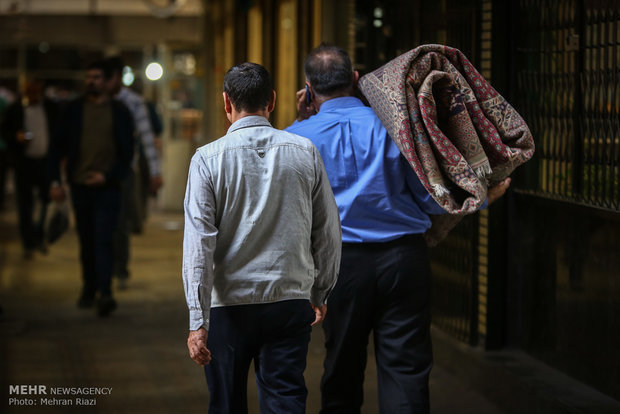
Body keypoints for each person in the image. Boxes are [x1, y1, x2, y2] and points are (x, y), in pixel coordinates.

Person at [286, 44, 511, 414]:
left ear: (308, 88)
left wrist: (302, 119)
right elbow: (430, 199)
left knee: (341, 366)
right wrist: (483, 197)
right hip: (404, 261)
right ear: (356, 80)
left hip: (340, 268)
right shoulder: (398, 129)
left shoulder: (296, 139)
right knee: (406, 370)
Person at [182, 62, 341, 413]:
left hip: (228, 307)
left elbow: (199, 245)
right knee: (285, 400)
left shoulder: (206, 160)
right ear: (271, 101)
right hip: (288, 302)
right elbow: (328, 231)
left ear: (226, 103)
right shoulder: (305, 152)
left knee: (226, 402)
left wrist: (198, 320)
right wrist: (320, 291)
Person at [49, 60, 134, 317]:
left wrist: (107, 175)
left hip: (108, 187)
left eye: (96, 77)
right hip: (80, 185)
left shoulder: (119, 111)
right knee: (86, 239)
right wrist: (55, 182)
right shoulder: (73, 110)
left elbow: (127, 152)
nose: (91, 82)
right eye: (88, 77)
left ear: (107, 81)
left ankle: (105, 292)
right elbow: (56, 148)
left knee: (104, 239)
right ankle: (89, 286)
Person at [104, 56, 163, 286]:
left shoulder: (134, 103)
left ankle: (120, 271)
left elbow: (148, 138)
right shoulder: (93, 103)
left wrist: (155, 172)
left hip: (123, 172)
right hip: (94, 171)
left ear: (117, 78)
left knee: (120, 223)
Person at [1, 80, 58, 258]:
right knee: (25, 205)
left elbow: (60, 132)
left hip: (45, 162)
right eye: (26, 91)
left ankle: (39, 235)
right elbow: (4, 130)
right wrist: (16, 137)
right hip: (24, 163)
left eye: (32, 90)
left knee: (46, 202)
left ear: (39, 89)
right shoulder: (16, 108)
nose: (29, 94)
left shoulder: (51, 108)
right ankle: (29, 243)